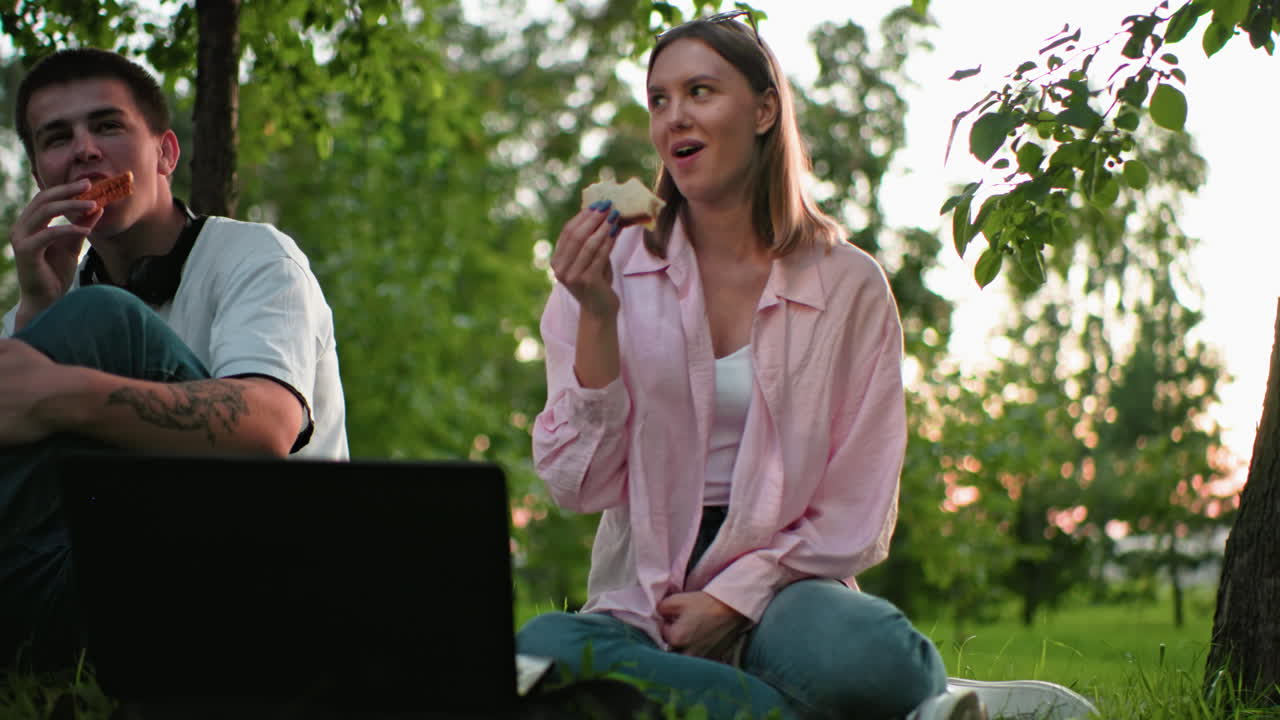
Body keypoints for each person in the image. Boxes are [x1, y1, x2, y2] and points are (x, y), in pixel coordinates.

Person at [0, 48, 348, 669]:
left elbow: (267, 425)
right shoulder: (35, 315)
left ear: (164, 154)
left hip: (268, 582)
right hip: (99, 581)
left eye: (107, 126)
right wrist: (38, 315)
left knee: (102, 315)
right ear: (39, 176)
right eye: (58, 138)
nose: (83, 150)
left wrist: (61, 391)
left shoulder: (256, 257)